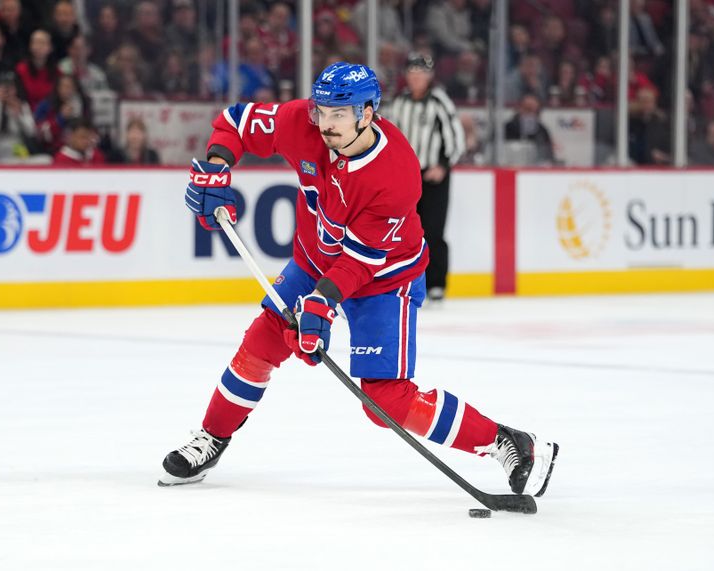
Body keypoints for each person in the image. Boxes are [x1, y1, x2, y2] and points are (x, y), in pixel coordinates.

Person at [159, 62, 559, 498]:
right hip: (312, 263)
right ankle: (212, 437)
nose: (325, 123)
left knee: (384, 399)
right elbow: (235, 122)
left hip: (384, 280)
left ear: (367, 113)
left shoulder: (396, 172)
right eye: (321, 111)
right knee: (261, 342)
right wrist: (218, 163)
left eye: (338, 114)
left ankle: (508, 442)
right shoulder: (303, 121)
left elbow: (359, 263)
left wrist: (320, 305)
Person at [386, 53, 466, 303]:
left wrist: (443, 165)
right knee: (404, 230)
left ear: (429, 77)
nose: (416, 77)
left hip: (433, 177)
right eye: (412, 72)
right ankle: (402, 279)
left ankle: (435, 283)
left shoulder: (440, 102)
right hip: (406, 176)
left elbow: (456, 138)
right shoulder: (399, 103)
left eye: (421, 73)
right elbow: (390, 137)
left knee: (433, 229)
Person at [504, 93, 555, 165]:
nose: (530, 114)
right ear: (519, 109)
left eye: (535, 111)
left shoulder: (541, 130)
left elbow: (547, 156)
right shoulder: (506, 128)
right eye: (527, 109)